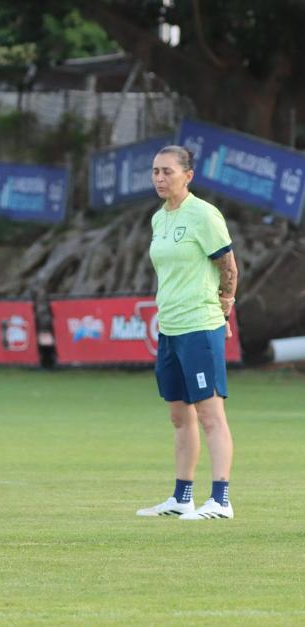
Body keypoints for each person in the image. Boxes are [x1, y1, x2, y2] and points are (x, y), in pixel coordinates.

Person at [137, 145, 239, 520]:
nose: (160, 178)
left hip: (200, 326)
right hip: (170, 328)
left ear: (188, 175)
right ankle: (182, 497)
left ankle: (221, 500)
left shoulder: (204, 215)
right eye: (155, 172)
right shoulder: (158, 218)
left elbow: (229, 267)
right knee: (179, 416)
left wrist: (225, 306)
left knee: (211, 414)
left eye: (167, 171)